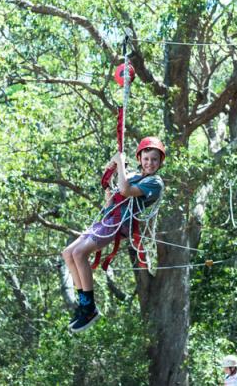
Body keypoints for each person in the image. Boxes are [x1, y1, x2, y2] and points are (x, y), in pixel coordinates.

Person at [62, 137, 165, 334]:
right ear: (140, 158)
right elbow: (112, 200)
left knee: (79, 254)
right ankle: (83, 305)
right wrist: (111, 175)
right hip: (108, 219)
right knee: (68, 253)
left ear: (160, 163)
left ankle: (90, 307)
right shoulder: (132, 175)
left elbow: (126, 191)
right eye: (146, 158)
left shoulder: (154, 182)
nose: (150, 163)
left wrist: (119, 164)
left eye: (154, 160)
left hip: (120, 222)